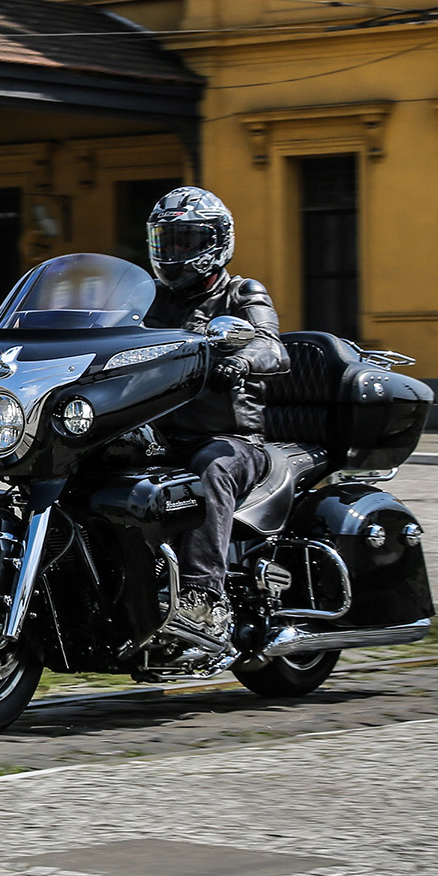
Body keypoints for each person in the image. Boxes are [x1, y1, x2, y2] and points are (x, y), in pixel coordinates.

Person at [142, 187, 289, 651]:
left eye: (186, 241)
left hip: (233, 441)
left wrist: (242, 360)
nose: (175, 252)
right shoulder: (153, 302)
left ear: (216, 242)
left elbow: (273, 346)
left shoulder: (242, 292)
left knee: (210, 471)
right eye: (168, 241)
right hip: (161, 435)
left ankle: (203, 599)